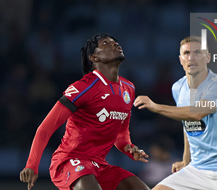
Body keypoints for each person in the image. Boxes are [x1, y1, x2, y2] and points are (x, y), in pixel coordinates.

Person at [20, 33, 150, 190]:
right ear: (94, 57)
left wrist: (130, 149)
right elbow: (45, 129)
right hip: (69, 160)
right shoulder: (83, 87)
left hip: (99, 165)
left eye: (115, 42)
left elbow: (121, 134)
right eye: (105, 43)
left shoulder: (128, 88)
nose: (115, 44)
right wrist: (32, 165)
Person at [134, 36, 217, 190]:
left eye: (197, 53)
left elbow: (196, 114)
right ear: (180, 59)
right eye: (186, 53)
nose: (191, 57)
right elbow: (188, 124)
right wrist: (186, 160)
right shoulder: (178, 88)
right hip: (197, 170)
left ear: (208, 57)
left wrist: (156, 106)